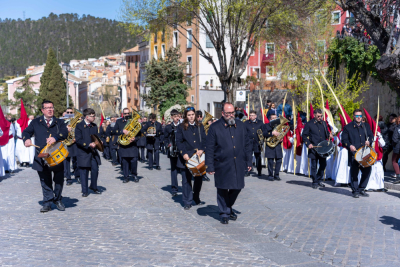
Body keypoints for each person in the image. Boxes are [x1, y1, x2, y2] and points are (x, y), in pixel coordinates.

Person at [206, 102, 252, 224]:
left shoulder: (241, 126)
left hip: (239, 163)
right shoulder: (214, 127)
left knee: (238, 187)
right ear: (223, 113)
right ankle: (224, 213)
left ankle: (227, 206)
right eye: (228, 113)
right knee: (222, 188)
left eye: (232, 113)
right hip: (221, 163)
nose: (231, 115)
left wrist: (249, 161)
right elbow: (210, 148)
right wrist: (209, 165)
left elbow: (247, 144)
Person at [22, 100, 69, 212]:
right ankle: (47, 202)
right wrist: (27, 139)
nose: (50, 110)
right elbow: (26, 132)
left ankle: (57, 199)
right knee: (45, 181)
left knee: (58, 180)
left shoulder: (59, 122)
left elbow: (65, 133)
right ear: (42, 110)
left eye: (51, 107)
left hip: (56, 156)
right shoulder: (35, 122)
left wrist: (56, 138)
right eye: (47, 108)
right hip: (41, 156)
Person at [176, 107, 207, 210]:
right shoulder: (181, 127)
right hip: (187, 157)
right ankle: (187, 201)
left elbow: (204, 140)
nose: (191, 117)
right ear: (186, 116)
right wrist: (183, 153)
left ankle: (196, 197)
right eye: (189, 115)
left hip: (198, 158)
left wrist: (202, 149)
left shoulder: (200, 126)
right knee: (186, 180)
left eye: (192, 114)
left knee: (199, 179)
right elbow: (179, 142)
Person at [341, 109, 374, 198]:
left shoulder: (366, 126)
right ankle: (355, 190)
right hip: (354, 154)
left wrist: (369, 142)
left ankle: (361, 188)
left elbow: (371, 136)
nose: (359, 118)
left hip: (365, 153)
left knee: (367, 171)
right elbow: (344, 140)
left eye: (360, 116)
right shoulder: (348, 127)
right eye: (357, 116)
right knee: (354, 173)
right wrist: (350, 146)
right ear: (353, 116)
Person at [302, 109, 333, 189]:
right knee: (314, 166)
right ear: (314, 115)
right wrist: (308, 144)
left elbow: (326, 133)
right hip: (314, 148)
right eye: (318, 116)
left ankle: (319, 179)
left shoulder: (323, 123)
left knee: (323, 165)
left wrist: (329, 136)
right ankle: (314, 181)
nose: (320, 117)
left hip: (322, 148)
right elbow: (304, 136)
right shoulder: (309, 124)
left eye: (321, 116)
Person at [75, 108, 102, 197]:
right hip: (84, 152)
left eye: (94, 116)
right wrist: (88, 144)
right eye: (92, 116)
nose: (94, 117)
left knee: (95, 170)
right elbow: (78, 140)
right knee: (84, 172)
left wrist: (98, 142)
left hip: (93, 152)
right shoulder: (79, 126)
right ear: (87, 117)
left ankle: (93, 186)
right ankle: (85, 190)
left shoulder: (94, 126)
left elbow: (96, 137)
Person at [113, 108, 140, 183]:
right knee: (125, 162)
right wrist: (122, 131)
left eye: (128, 113)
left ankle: (134, 175)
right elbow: (114, 131)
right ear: (123, 114)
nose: (127, 115)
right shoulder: (119, 121)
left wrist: (135, 138)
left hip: (132, 145)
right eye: (125, 113)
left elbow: (140, 134)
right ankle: (126, 176)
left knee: (134, 161)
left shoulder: (134, 121)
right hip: (124, 145)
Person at [164, 109, 181, 196]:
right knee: (173, 169)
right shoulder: (168, 127)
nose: (177, 118)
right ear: (172, 117)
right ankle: (174, 188)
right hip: (172, 151)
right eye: (175, 117)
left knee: (183, 169)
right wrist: (167, 144)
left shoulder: (182, 126)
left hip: (181, 151)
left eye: (178, 116)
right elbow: (165, 138)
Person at [262, 112, 283, 181]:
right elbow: (264, 133)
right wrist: (272, 133)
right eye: (272, 118)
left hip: (277, 145)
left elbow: (282, 134)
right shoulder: (265, 125)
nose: (274, 119)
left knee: (279, 160)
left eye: (275, 118)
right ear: (270, 119)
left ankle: (276, 175)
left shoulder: (279, 126)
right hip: (269, 145)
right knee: (270, 161)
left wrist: (281, 138)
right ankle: (270, 175)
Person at [244, 110, 263, 176]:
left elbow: (262, 132)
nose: (251, 117)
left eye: (252, 115)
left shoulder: (260, 123)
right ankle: (247, 171)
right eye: (250, 115)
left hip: (257, 142)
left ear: (256, 116)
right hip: (248, 142)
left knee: (258, 157)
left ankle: (259, 170)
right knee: (248, 157)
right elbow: (244, 132)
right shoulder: (246, 123)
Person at [63, 107, 78, 186]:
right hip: (66, 144)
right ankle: (68, 178)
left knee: (76, 160)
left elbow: (79, 131)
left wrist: (76, 138)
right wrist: (66, 130)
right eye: (68, 112)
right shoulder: (62, 122)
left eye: (71, 112)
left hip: (75, 143)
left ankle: (77, 175)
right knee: (66, 162)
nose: (69, 114)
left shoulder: (77, 122)